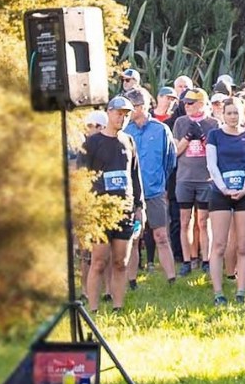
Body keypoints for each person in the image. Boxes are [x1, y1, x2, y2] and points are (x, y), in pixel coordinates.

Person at [82, 96, 145, 313]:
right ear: (109, 113)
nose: (122, 118)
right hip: (100, 210)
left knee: (121, 262)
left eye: (126, 114)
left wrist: (140, 207)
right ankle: (93, 309)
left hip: (125, 209)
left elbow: (135, 176)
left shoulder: (128, 141)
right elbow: (82, 177)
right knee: (98, 262)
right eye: (119, 113)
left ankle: (118, 308)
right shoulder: (92, 142)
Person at [121, 89, 178, 284]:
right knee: (134, 237)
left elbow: (170, 160)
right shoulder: (126, 132)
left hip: (154, 192)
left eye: (131, 107)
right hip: (132, 194)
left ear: (141, 107)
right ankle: (132, 280)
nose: (127, 112)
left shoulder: (161, 130)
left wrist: (160, 182)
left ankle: (171, 279)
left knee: (161, 235)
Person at [205, 98, 245, 305]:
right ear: (222, 114)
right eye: (229, 113)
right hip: (220, 193)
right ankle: (218, 292)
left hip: (244, 194)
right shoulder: (214, 135)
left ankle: (241, 292)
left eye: (236, 113)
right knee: (219, 244)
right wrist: (224, 188)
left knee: (244, 245)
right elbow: (212, 164)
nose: (233, 116)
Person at [169, 88, 215, 276]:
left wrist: (203, 137)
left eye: (190, 103)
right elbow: (175, 152)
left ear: (201, 104)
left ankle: (206, 260)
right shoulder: (180, 123)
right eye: (185, 103)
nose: (186, 106)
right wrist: (188, 137)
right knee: (184, 220)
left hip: (205, 178)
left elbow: (214, 153)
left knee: (204, 221)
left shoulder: (213, 123)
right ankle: (187, 260)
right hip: (185, 177)